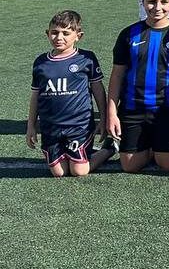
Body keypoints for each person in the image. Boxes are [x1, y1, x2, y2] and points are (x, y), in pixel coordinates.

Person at [104, 0, 169, 173]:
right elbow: (117, 76)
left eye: (164, 2)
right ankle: (136, 144)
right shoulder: (128, 34)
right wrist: (112, 113)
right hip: (133, 109)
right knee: (130, 166)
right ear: (142, 0)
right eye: (152, 1)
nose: (157, 7)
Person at [27, 10, 117, 177]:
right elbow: (35, 96)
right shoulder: (41, 62)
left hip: (79, 126)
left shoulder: (86, 58)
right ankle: (74, 153)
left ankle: (108, 149)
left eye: (66, 33)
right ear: (47, 34)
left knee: (79, 171)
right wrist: (31, 125)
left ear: (78, 36)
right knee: (59, 173)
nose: (59, 37)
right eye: (54, 32)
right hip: (51, 127)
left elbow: (98, 90)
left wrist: (103, 118)